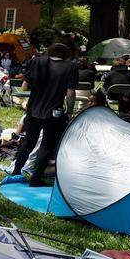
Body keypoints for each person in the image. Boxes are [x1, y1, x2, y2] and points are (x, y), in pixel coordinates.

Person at [11, 43, 78, 186]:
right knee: (46, 147)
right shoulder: (70, 67)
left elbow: (24, 86)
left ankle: (16, 172)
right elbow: (70, 93)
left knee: (29, 142)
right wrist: (70, 112)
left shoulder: (37, 61)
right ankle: (36, 179)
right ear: (66, 54)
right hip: (54, 113)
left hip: (33, 109)